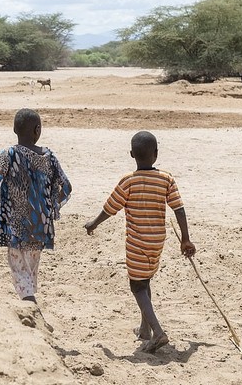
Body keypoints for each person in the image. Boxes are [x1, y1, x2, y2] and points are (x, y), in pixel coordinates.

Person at [84, 130, 196, 354]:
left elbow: (110, 208)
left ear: (131, 154)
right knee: (145, 281)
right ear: (156, 154)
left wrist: (93, 223)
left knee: (137, 285)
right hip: (157, 241)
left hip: (137, 242)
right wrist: (185, 238)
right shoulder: (166, 179)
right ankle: (144, 329)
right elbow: (179, 209)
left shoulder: (128, 182)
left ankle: (158, 332)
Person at [0, 108, 72, 304]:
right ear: (37, 130)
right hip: (40, 227)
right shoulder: (48, 157)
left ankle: (30, 304)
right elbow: (66, 187)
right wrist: (50, 208)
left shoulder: (8, 154)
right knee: (31, 267)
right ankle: (30, 301)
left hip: (15, 226)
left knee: (19, 269)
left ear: (14, 129)